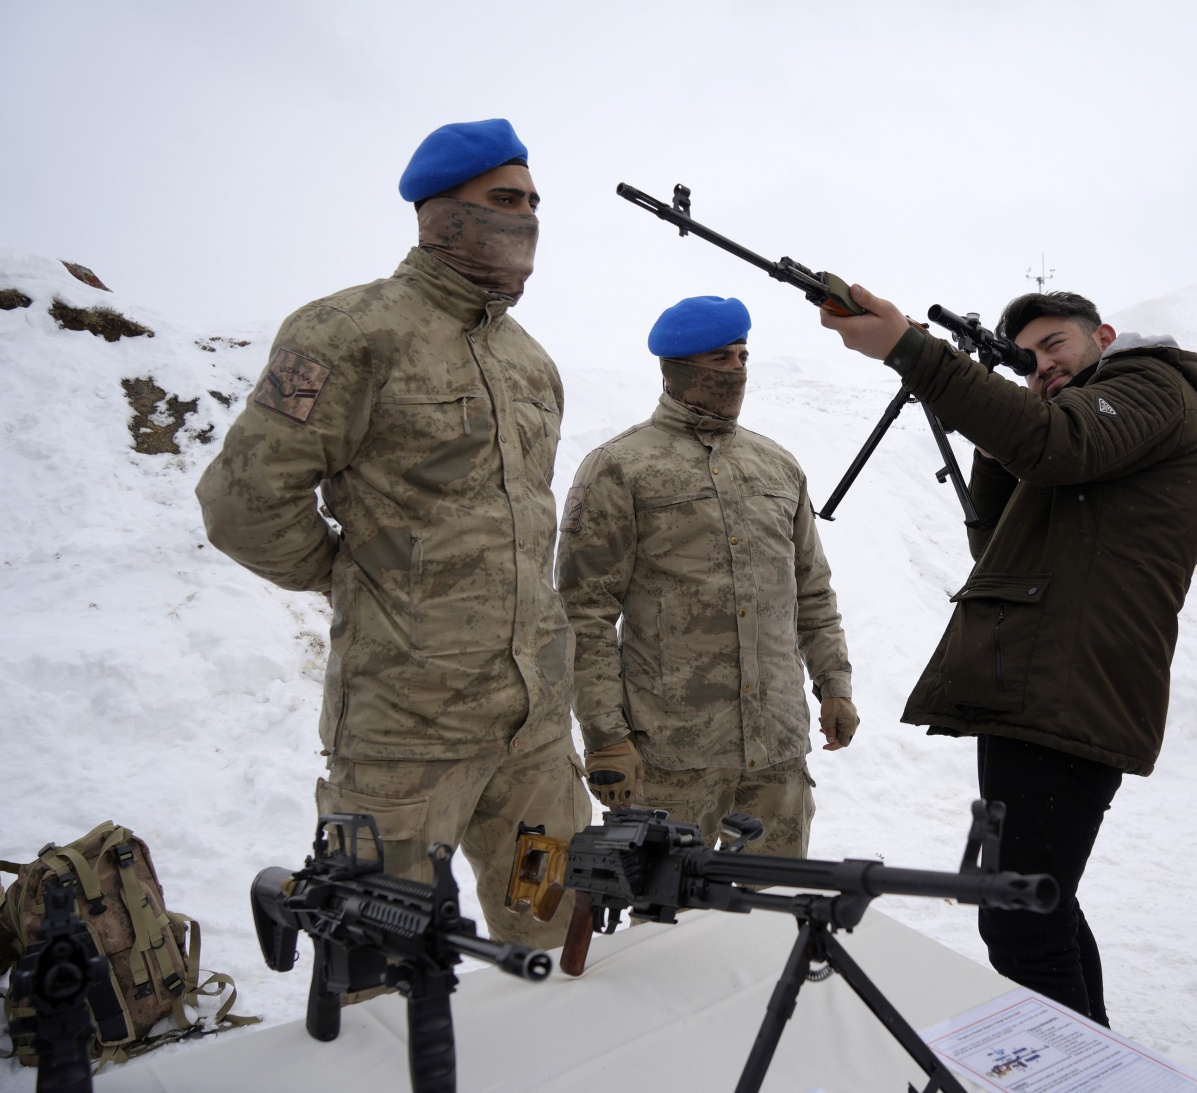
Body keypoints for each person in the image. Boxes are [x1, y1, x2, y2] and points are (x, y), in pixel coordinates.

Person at [196, 119, 591, 949]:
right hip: (404, 736)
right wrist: (353, 572)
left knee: (555, 944)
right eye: (502, 200)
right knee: (375, 967)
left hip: (535, 738)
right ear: (440, 212)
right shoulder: (344, 333)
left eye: (532, 203)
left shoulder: (532, 363)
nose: (525, 219)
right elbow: (242, 503)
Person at [820, 287, 1197, 1027]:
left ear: (1102, 335)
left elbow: (1056, 443)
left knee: (1019, 920)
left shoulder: (1155, 386)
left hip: (1073, 685)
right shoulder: (1078, 429)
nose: (1041, 365)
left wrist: (912, 349)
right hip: (1043, 686)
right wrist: (1001, 423)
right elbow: (1002, 542)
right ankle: (1103, 1071)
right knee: (1043, 906)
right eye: (1028, 359)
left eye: (1055, 346)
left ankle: (1074, 1075)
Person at [555, 296, 856, 858]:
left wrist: (834, 683)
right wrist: (606, 737)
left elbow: (812, 589)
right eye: (722, 359)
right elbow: (584, 612)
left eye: (744, 355)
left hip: (776, 753)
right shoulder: (620, 467)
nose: (738, 370)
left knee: (769, 918)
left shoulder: (778, 466)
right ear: (679, 368)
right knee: (667, 923)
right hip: (670, 753)